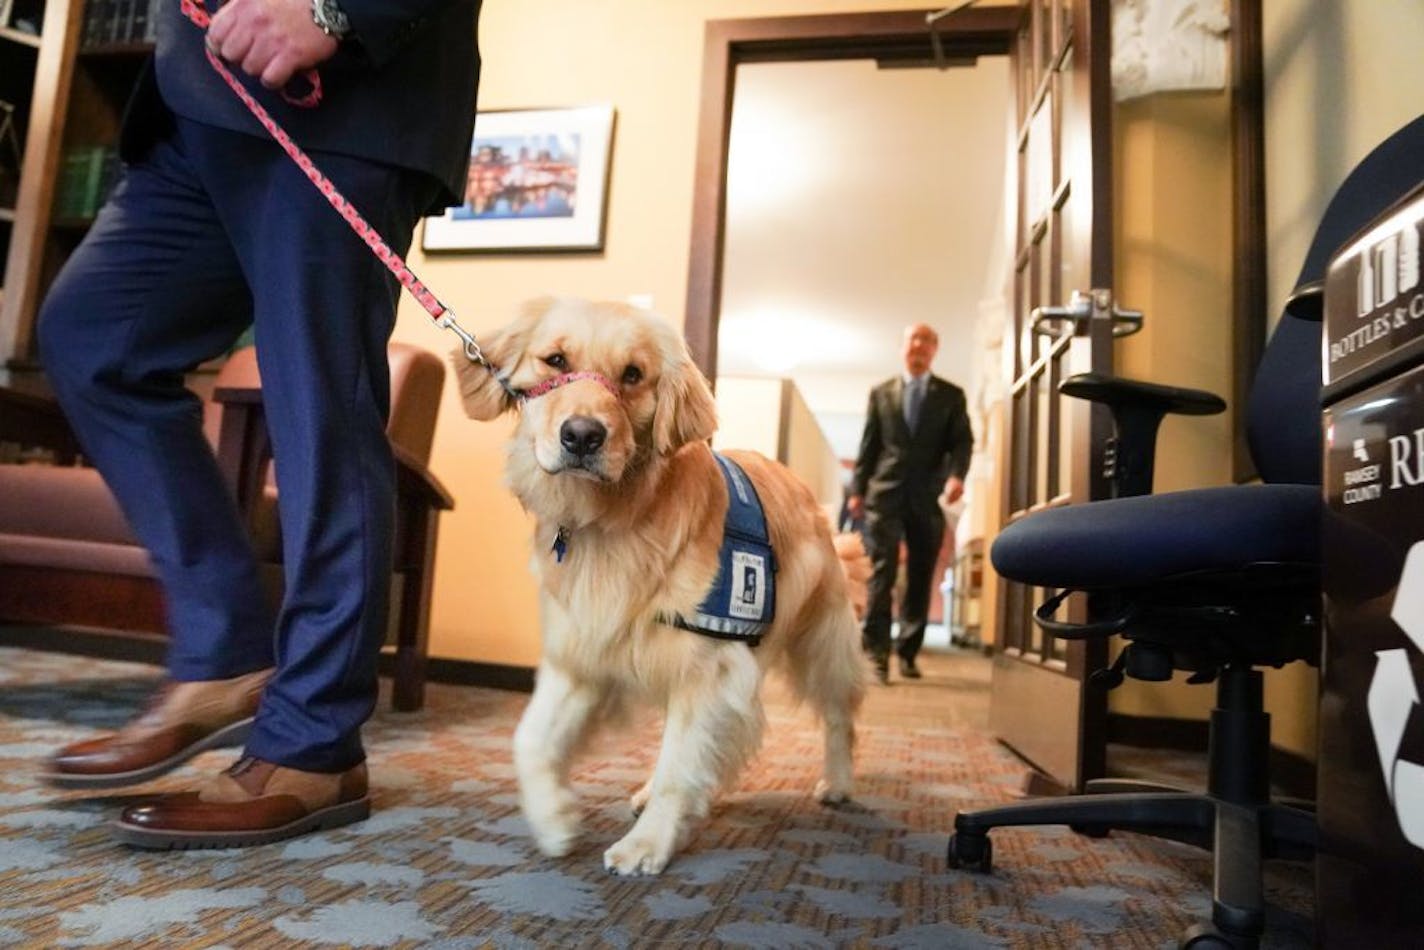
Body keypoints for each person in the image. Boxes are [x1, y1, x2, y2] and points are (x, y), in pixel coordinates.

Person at [37, 0, 482, 848]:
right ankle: (224, 654)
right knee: (93, 338)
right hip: (194, 107)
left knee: (318, 408)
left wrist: (338, 10)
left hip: (338, 97)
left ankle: (313, 741)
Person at [847, 323, 973, 684]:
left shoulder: (951, 396)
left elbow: (962, 442)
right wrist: (857, 489)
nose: (918, 346)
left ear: (935, 349)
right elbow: (869, 444)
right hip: (883, 493)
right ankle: (877, 656)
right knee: (881, 571)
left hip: (926, 496)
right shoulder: (881, 392)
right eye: (912, 340)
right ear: (903, 347)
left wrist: (956, 477)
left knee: (920, 573)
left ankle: (908, 651)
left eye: (926, 340)